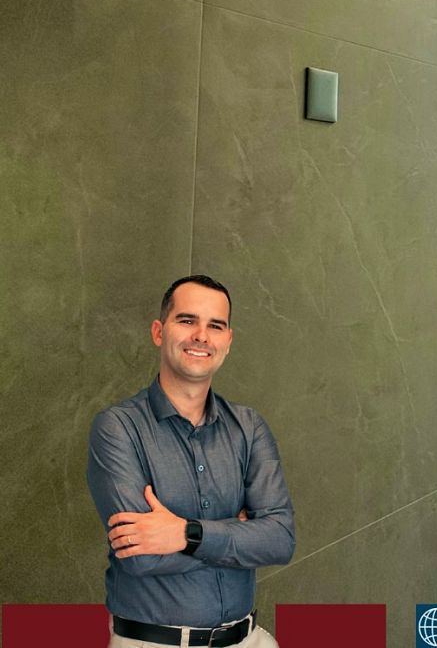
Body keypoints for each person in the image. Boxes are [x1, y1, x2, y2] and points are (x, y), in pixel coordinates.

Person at [87, 275, 295, 648]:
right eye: (187, 320)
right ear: (158, 331)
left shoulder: (249, 427)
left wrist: (185, 533)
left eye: (215, 326)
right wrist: (239, 534)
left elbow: (279, 540)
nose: (201, 336)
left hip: (248, 640)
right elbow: (139, 557)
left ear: (228, 341)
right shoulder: (117, 428)